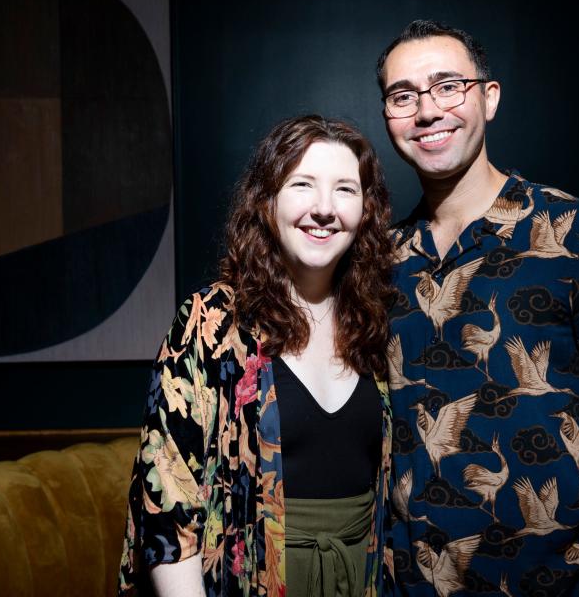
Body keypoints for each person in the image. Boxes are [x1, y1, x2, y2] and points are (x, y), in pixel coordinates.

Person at [377, 20, 579, 596]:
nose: (426, 110)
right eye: (404, 95)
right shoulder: (382, 261)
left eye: (448, 86)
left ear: (489, 99)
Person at [118, 115, 396, 597]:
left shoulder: (380, 322)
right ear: (267, 201)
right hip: (247, 581)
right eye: (302, 184)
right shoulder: (211, 322)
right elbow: (167, 497)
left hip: (362, 575)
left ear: (366, 210)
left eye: (345, 190)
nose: (324, 209)